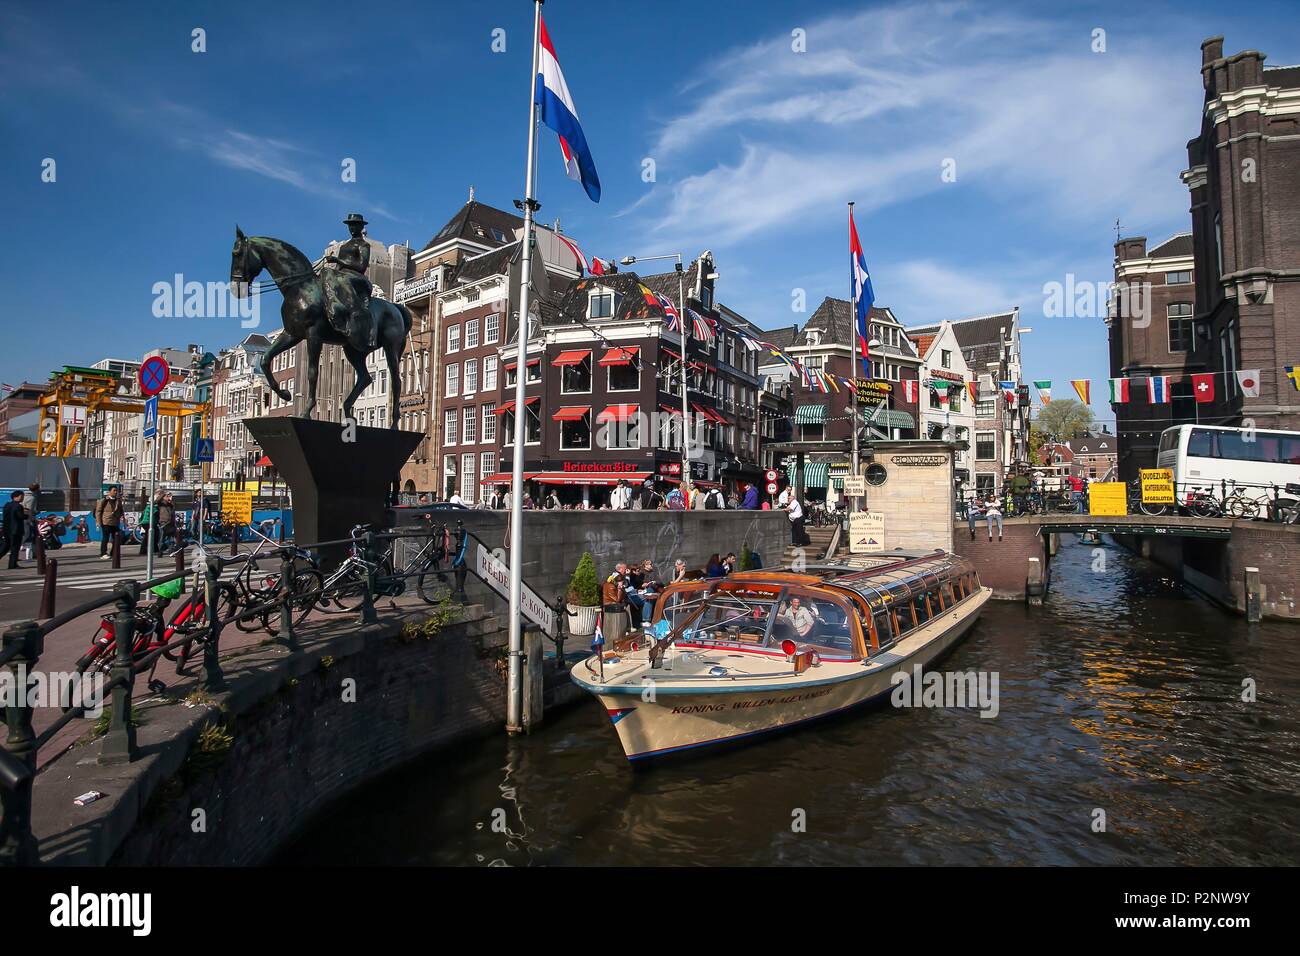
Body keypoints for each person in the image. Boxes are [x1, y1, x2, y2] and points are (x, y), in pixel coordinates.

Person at [324, 212, 376, 351]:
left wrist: (337, 260)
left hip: (356, 277)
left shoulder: (364, 245)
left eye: (354, 225)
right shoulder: (344, 246)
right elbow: (338, 268)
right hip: (342, 275)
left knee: (335, 277)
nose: (352, 228)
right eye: (350, 226)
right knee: (325, 273)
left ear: (361, 227)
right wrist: (334, 270)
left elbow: (361, 266)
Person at [96, 486, 125, 560]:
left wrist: (123, 518)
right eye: (114, 490)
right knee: (105, 538)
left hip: (115, 522)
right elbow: (98, 511)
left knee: (117, 537)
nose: (115, 492)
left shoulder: (118, 500)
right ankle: (103, 553)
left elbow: (121, 510)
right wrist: (99, 522)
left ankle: (113, 552)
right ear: (109, 492)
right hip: (106, 522)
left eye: (116, 490)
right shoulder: (104, 500)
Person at [0, 490, 27, 569]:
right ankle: (12, 564)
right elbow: (20, 516)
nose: (22, 498)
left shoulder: (7, 505)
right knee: (15, 548)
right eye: (21, 496)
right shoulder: (18, 506)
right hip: (16, 530)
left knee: (5, 546)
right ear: (16, 497)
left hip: (7, 529)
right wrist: (27, 516)